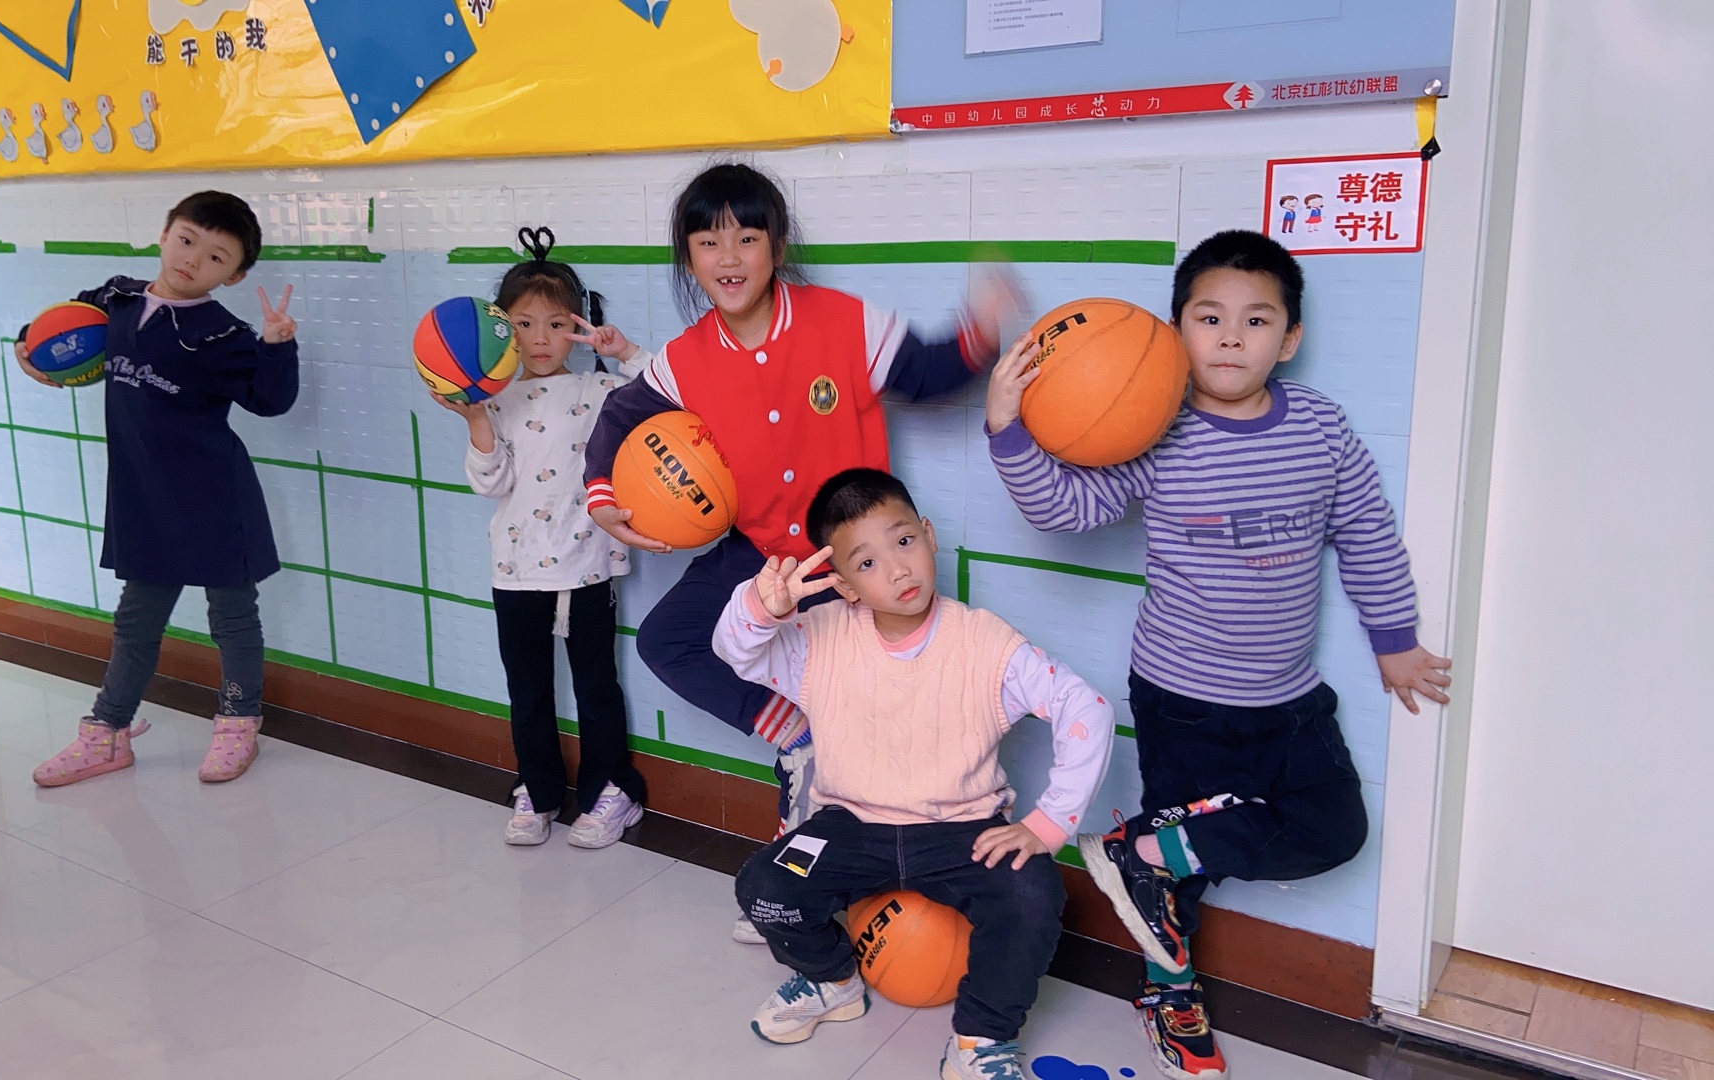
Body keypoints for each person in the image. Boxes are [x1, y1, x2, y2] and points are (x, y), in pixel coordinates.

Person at [984, 229, 1452, 1079]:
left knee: (1334, 828)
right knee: (1178, 880)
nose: (1232, 338)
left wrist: (1395, 641)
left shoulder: (1319, 426)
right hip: (1183, 700)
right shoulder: (1154, 428)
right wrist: (1006, 426)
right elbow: (1065, 511)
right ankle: (1169, 997)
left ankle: (1134, 850)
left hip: (1288, 699)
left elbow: (1365, 531)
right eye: (1210, 318)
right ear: (1177, 332)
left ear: (1290, 338)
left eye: (1256, 320)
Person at [579, 162, 1018, 940]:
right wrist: (603, 497)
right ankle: (794, 736)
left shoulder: (843, 321)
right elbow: (620, 417)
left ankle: (828, 869)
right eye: (708, 242)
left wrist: (981, 330)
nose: (729, 257)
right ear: (689, 258)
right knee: (667, 639)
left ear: (777, 247)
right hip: (757, 556)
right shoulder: (685, 358)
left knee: (871, 722)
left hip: (847, 562)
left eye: (747, 238)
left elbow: (925, 373)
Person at [719, 468, 1112, 1080]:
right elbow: (735, 652)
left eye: (904, 542)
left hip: (962, 830)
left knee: (1034, 897)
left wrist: (1048, 822)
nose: (898, 570)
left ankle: (981, 1039)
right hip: (849, 827)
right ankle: (832, 982)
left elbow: (1085, 708)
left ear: (929, 535)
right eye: (867, 563)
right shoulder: (817, 637)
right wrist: (760, 609)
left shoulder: (984, 641)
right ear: (844, 584)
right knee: (763, 887)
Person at [18, 191, 299, 788]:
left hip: (215, 497)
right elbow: (56, 332)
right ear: (166, 233)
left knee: (233, 618)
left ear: (234, 276)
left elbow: (269, 400)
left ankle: (238, 723)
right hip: (144, 497)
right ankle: (107, 732)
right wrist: (30, 351)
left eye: (216, 257)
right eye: (187, 240)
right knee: (136, 621)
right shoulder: (113, 300)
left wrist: (277, 346)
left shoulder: (223, 334)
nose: (193, 259)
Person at [437, 227, 648, 849]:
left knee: (596, 686)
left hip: (587, 567)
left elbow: (671, 390)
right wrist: (476, 418)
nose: (539, 340)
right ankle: (538, 788)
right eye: (523, 325)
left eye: (556, 325)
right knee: (526, 690)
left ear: (579, 326)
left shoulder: (600, 390)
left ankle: (612, 791)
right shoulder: (494, 399)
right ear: (501, 329)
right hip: (515, 570)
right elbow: (491, 482)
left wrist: (624, 350)